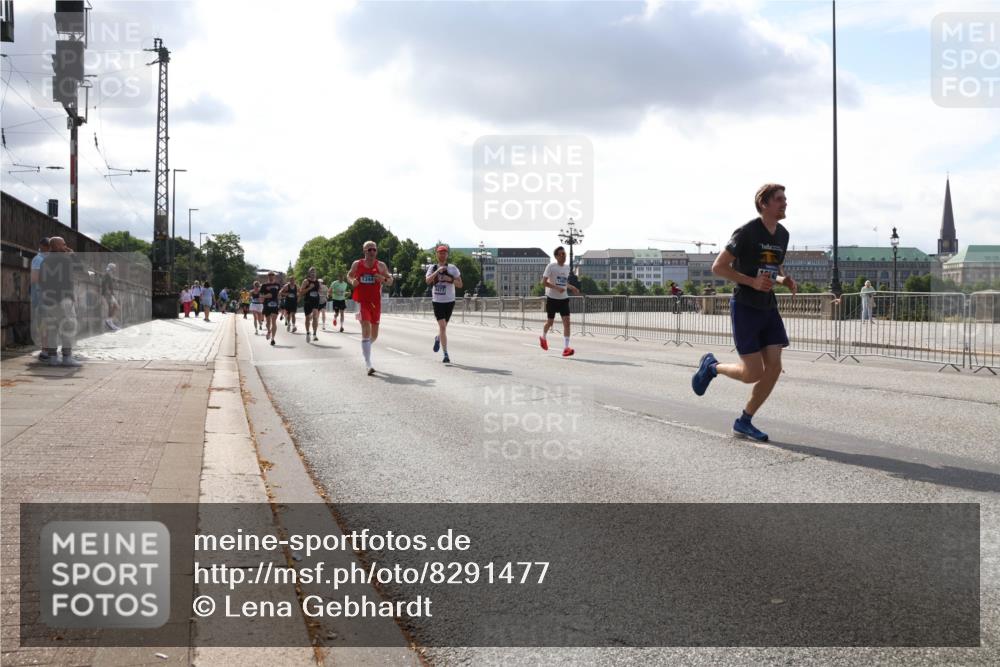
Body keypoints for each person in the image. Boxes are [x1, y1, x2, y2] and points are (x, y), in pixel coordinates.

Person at [691, 183, 796, 443]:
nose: (785, 203)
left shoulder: (783, 234)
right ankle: (712, 367)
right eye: (779, 199)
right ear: (764, 204)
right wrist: (751, 282)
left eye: (785, 199)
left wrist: (784, 280)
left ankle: (744, 420)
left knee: (774, 368)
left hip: (768, 307)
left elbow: (771, 268)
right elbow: (718, 267)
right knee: (753, 374)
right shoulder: (746, 232)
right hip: (746, 306)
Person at [38, 236, 88, 366]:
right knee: (69, 327)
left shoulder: (45, 261)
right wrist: (73, 255)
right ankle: (67, 357)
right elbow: (82, 270)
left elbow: (41, 281)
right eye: (64, 244)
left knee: (52, 328)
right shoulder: (67, 259)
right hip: (64, 299)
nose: (66, 246)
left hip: (49, 300)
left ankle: (53, 358)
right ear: (58, 246)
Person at [348, 240, 393, 375]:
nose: (372, 252)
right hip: (362, 301)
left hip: (376, 303)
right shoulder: (357, 264)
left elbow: (390, 281)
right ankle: (368, 364)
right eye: (369, 250)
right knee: (365, 328)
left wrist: (383, 279)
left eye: (374, 249)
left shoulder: (381, 265)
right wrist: (352, 281)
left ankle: (365, 346)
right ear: (364, 251)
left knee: (374, 335)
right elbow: (349, 275)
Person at [539, 245, 580, 357]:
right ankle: (543, 337)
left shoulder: (567, 268)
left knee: (567, 323)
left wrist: (572, 287)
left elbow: (564, 283)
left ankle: (566, 348)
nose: (564, 255)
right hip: (552, 298)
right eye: (561, 254)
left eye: (565, 253)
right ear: (556, 256)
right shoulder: (551, 266)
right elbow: (543, 282)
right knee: (550, 322)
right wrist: (557, 288)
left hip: (563, 299)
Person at [425, 244, 462, 363]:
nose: (442, 255)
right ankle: (445, 354)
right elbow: (427, 281)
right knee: (442, 326)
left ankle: (437, 338)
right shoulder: (432, 267)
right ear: (437, 254)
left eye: (444, 253)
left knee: (443, 327)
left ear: (447, 255)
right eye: (440, 253)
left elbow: (460, 284)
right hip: (437, 301)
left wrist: (449, 279)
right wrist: (437, 272)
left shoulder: (453, 268)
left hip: (450, 301)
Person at [30, 238, 51, 359]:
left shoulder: (45, 259)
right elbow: (34, 279)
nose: (50, 250)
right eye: (48, 247)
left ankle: (47, 348)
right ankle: (44, 350)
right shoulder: (38, 259)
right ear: (42, 246)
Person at [300, 267, 323, 342]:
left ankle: (314, 334)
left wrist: (320, 290)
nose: (313, 273)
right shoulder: (306, 281)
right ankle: (307, 333)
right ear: (309, 273)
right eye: (311, 272)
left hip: (316, 301)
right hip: (308, 301)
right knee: (307, 318)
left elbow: (320, 291)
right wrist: (309, 288)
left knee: (315, 317)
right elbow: (301, 292)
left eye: (314, 272)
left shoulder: (317, 282)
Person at [260, 272, 282, 345]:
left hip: (275, 304)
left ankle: (273, 339)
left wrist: (280, 297)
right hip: (267, 304)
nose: (271, 277)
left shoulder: (277, 285)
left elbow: (280, 293)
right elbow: (261, 296)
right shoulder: (264, 285)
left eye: (272, 275)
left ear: (274, 276)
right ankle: (269, 331)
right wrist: (266, 296)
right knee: (268, 322)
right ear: (268, 276)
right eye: (269, 275)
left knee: (274, 322)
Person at [101, 263, 121, 330]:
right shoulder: (107, 274)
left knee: (115, 306)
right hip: (108, 294)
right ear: (111, 268)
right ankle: (109, 321)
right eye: (114, 268)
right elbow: (106, 286)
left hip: (109, 293)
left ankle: (109, 321)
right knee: (113, 306)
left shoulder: (109, 274)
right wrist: (110, 295)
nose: (115, 270)